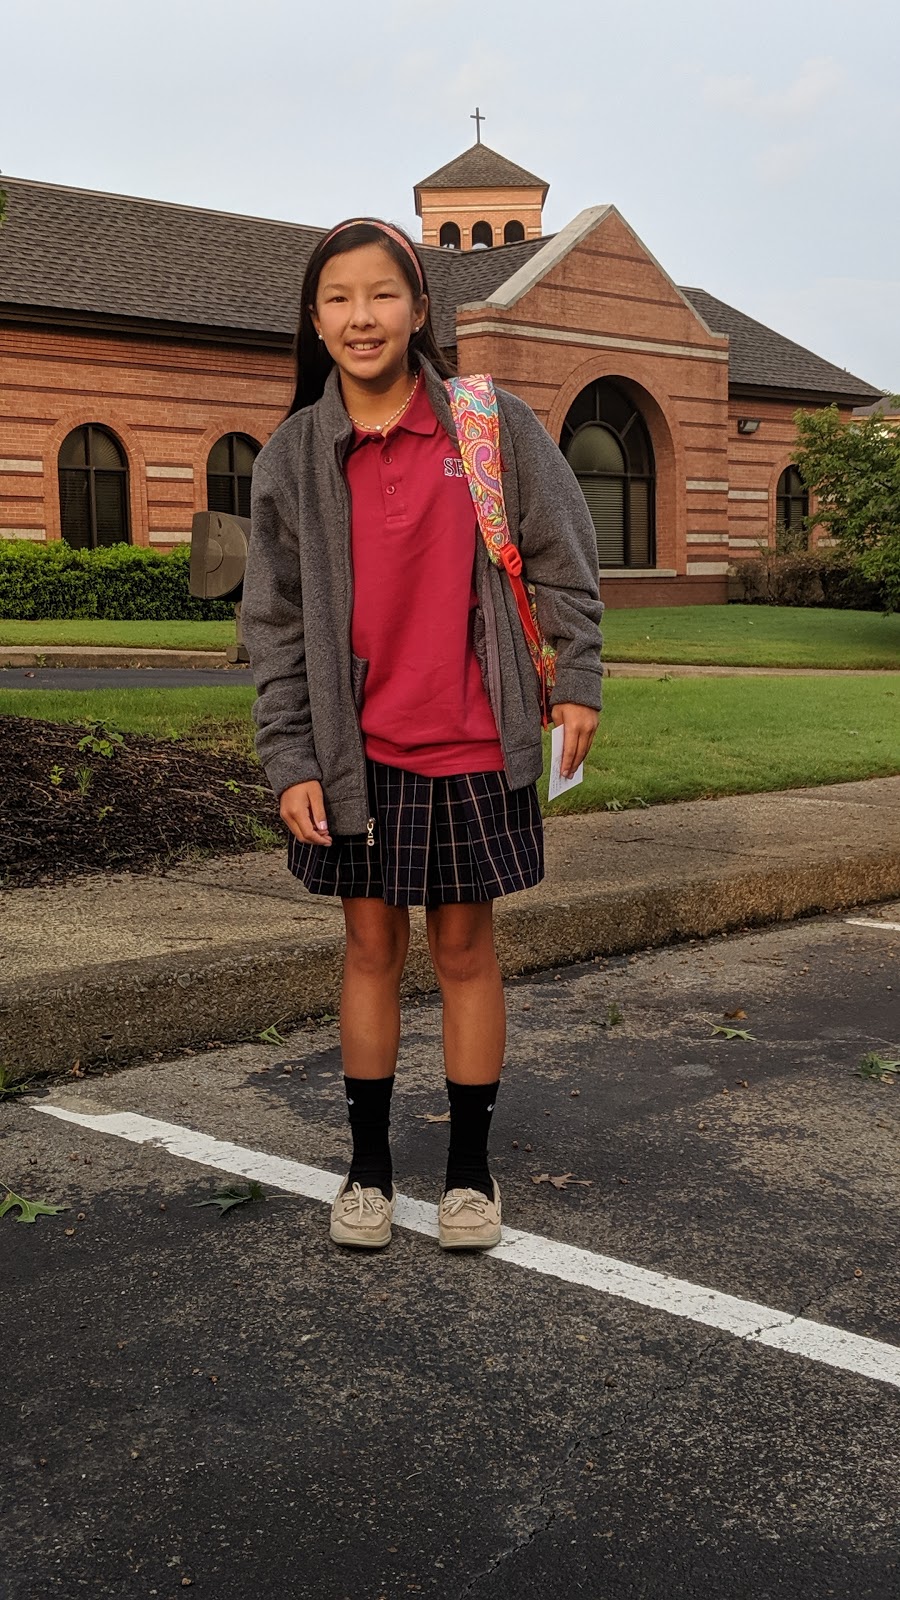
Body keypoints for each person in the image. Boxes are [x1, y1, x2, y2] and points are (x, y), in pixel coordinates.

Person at [240, 216, 603, 1253]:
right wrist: (290, 757)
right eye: (339, 299)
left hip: (476, 741)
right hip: (356, 754)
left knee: (464, 947)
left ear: (419, 309)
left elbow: (563, 552)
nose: (362, 316)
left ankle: (469, 1176)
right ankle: (367, 1171)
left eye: (382, 294)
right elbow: (273, 625)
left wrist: (577, 678)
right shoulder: (293, 456)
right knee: (368, 946)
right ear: (315, 321)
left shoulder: (487, 426)